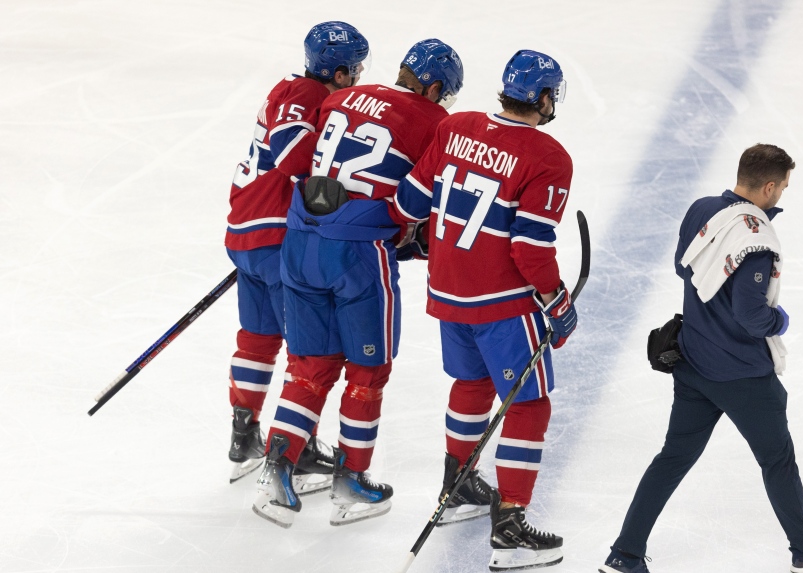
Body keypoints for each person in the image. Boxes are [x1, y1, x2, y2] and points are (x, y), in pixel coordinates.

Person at [598, 144, 803, 573]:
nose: (782, 195)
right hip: (742, 376)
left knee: (672, 457)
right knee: (777, 459)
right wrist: (780, 320)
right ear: (769, 186)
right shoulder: (754, 239)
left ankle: (624, 554)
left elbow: (687, 270)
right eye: (783, 187)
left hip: (693, 364)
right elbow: (751, 315)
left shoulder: (701, 210)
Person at [251, 38, 465, 529]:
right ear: (434, 87)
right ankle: (351, 482)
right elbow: (413, 200)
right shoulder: (436, 122)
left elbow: (303, 162)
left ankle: (275, 473)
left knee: (308, 365)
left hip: (300, 244)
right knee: (368, 372)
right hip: (358, 256)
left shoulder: (343, 96)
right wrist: (398, 228)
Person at [391, 50, 577, 572]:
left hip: (448, 293)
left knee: (470, 384)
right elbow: (530, 247)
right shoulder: (549, 156)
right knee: (528, 405)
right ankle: (511, 527)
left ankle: (456, 486)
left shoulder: (458, 126)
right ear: (543, 98)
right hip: (503, 303)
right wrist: (556, 300)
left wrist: (416, 237)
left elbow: (409, 200)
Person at [224, 21, 370, 492]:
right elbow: (292, 154)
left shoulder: (289, 87)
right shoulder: (306, 94)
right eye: (357, 68)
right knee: (310, 351)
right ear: (342, 71)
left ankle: (243, 437)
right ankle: (297, 450)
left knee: (257, 336)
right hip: (273, 236)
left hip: (245, 229)